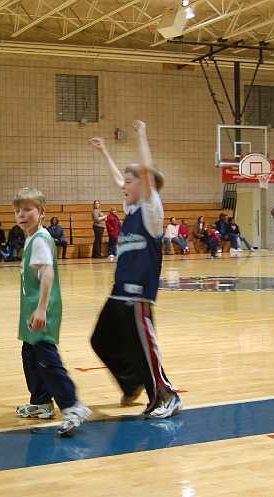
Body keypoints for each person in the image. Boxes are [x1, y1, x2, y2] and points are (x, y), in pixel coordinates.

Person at [88, 120, 181, 419]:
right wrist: (105, 152)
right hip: (118, 293)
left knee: (145, 348)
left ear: (144, 183)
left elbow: (144, 168)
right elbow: (119, 179)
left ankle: (166, 395)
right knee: (99, 339)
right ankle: (132, 383)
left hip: (139, 295)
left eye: (130, 181)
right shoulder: (130, 211)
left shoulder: (152, 212)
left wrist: (142, 134)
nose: (123, 186)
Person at [12, 188, 91, 435]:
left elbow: (47, 273)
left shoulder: (40, 239)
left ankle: (72, 406)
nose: (22, 215)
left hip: (42, 309)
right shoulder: (31, 237)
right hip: (32, 309)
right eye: (18, 211)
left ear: (42, 212)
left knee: (46, 359)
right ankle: (41, 403)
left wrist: (42, 309)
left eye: (28, 209)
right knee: (30, 354)